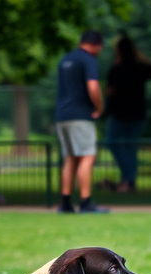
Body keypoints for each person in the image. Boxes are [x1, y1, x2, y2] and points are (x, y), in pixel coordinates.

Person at [55, 30, 106, 214]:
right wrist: (99, 108)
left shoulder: (65, 59)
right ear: (95, 44)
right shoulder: (88, 60)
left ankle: (66, 203)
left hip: (62, 116)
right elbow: (93, 86)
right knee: (87, 155)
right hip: (80, 115)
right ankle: (86, 202)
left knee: (70, 157)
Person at [105, 34, 151, 194]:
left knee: (113, 143)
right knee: (130, 147)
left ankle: (127, 179)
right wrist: (139, 55)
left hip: (120, 114)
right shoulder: (140, 69)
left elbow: (109, 91)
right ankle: (129, 181)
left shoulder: (116, 69)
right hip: (137, 114)